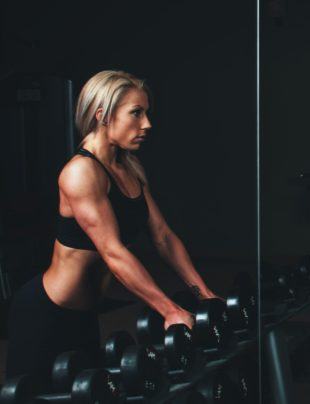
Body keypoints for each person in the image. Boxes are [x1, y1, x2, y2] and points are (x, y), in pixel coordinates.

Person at [5, 70, 218, 382]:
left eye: (146, 113)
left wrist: (204, 295)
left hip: (85, 315)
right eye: (136, 113)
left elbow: (164, 237)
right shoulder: (80, 173)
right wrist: (170, 310)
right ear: (102, 115)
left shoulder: (128, 169)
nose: (147, 124)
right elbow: (113, 252)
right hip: (46, 313)